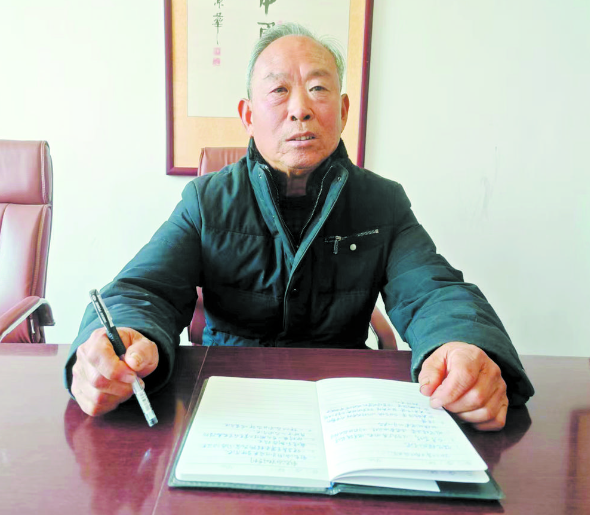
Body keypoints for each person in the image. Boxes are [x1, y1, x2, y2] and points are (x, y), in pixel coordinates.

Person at [65, 23, 534, 431]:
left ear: (343, 111)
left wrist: (463, 345)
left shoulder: (382, 202)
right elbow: (144, 288)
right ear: (248, 116)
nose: (300, 109)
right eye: (278, 91)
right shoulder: (206, 201)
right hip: (228, 399)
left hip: (346, 401)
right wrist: (123, 337)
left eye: (318, 88)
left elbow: (432, 290)